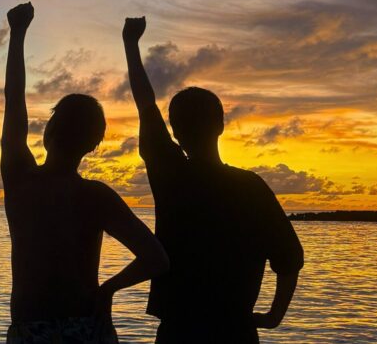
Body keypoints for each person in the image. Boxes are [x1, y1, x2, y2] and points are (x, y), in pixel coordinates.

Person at [122, 17, 304, 343]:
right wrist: (274, 316)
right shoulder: (251, 188)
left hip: (180, 330)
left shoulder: (171, 175)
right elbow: (290, 259)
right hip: (235, 331)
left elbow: (145, 103)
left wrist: (131, 44)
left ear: (175, 132)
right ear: (221, 126)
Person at [1, 3, 169, 344]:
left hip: (32, 328)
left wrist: (17, 34)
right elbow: (156, 258)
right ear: (93, 145)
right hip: (86, 326)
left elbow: (13, 101)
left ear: (47, 133)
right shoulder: (96, 196)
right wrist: (108, 289)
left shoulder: (21, 180)